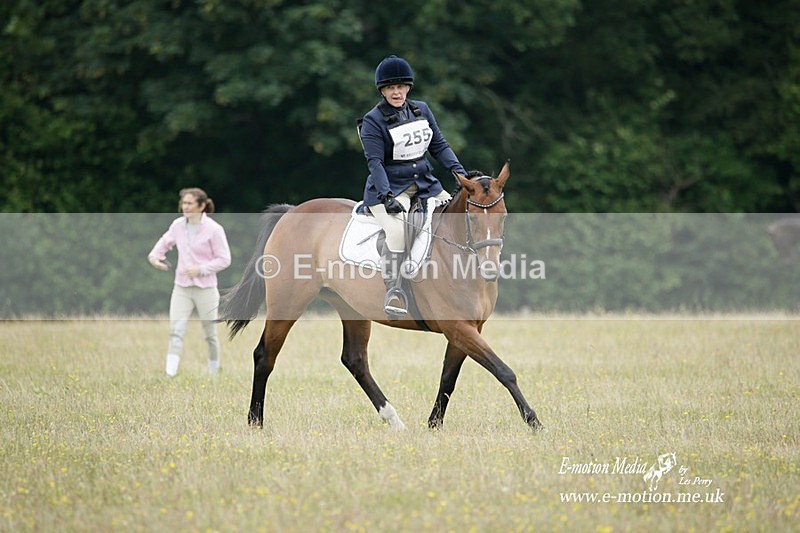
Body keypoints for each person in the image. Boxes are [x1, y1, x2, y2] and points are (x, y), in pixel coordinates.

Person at [359, 54, 466, 317]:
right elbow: (375, 163)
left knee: (459, 216)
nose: (396, 92)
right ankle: (394, 290)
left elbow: (439, 146)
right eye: (390, 88)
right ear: (383, 91)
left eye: (400, 86)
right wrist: (386, 196)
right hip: (391, 189)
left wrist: (460, 173)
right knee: (397, 232)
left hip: (426, 184)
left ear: (408, 87)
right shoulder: (373, 120)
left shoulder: (421, 110)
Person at [148, 188, 231, 377]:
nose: (184, 207)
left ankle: (214, 372)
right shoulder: (178, 225)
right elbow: (163, 244)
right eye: (183, 203)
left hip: (206, 289)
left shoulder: (214, 229)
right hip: (182, 288)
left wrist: (201, 269)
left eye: (189, 203)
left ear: (201, 206)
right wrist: (155, 257)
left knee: (210, 334)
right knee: (176, 331)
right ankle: (169, 374)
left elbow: (224, 259)